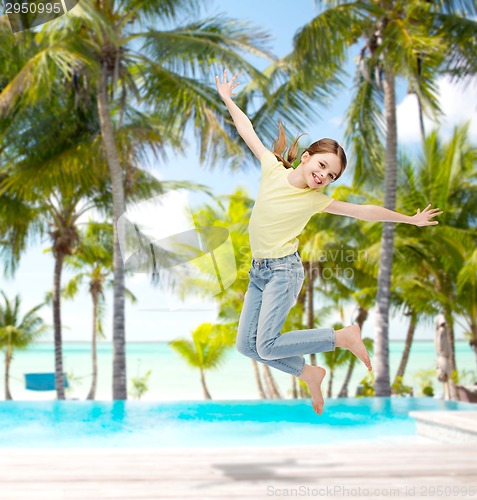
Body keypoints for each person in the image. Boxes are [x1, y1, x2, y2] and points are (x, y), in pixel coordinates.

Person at [215, 69, 443, 414]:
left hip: (283, 272)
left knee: (267, 343)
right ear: (306, 157)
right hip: (259, 272)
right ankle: (309, 372)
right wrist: (228, 99)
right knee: (248, 347)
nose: (323, 175)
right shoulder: (272, 169)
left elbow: (364, 211)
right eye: (322, 165)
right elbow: (247, 130)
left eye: (331, 175)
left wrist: (409, 219)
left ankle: (341, 337)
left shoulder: (315, 199)